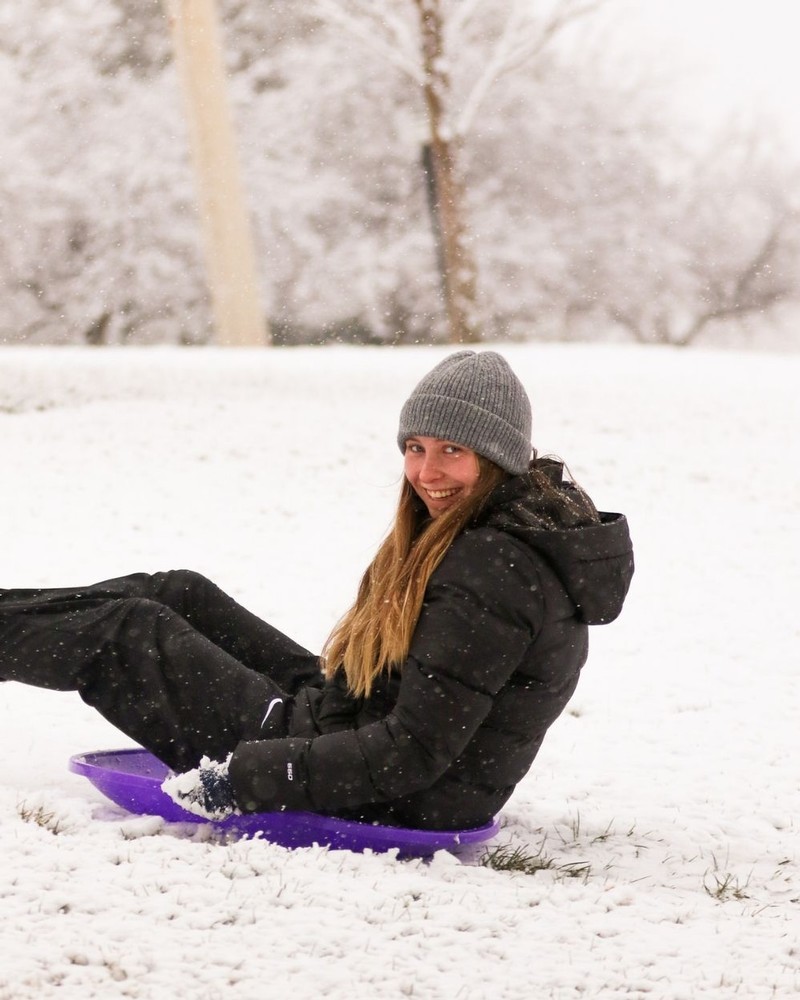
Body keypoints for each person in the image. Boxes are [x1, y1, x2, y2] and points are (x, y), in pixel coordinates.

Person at [0, 351, 633, 831]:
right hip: (349, 732)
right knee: (179, 592)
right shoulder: (502, 533)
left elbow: (412, 754)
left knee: (127, 633)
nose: (426, 472)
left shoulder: (494, 569)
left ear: (497, 460)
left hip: (389, 796)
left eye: (452, 451)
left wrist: (245, 778)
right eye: (415, 447)